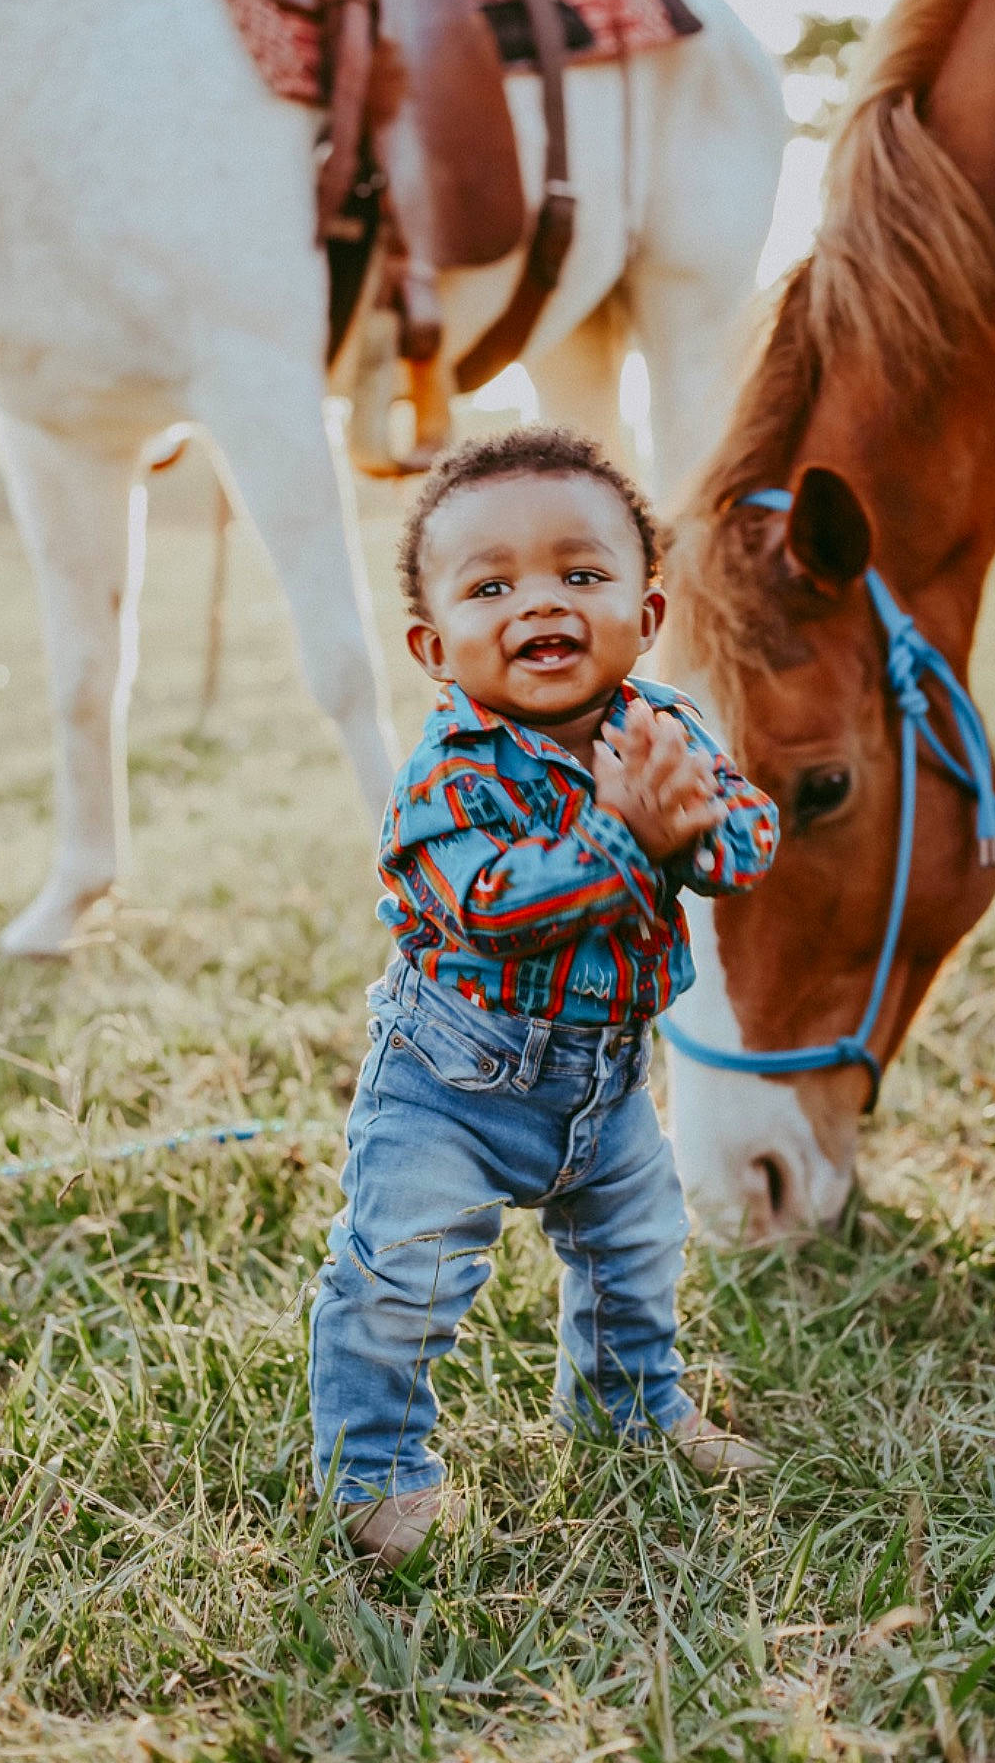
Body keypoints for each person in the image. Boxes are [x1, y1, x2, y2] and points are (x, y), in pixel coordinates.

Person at [308, 425, 779, 1565]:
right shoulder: (446, 771)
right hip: (451, 1084)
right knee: (400, 1272)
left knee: (639, 1251)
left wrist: (698, 827)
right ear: (434, 642)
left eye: (581, 572)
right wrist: (629, 839)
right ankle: (377, 1470)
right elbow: (496, 904)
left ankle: (630, 1410)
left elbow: (749, 838)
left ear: (647, 612)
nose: (542, 603)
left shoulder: (663, 730)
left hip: (606, 1085)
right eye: (492, 584)